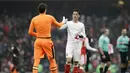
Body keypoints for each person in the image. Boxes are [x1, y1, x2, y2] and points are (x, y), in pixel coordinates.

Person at [28, 3, 67, 73]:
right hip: (47, 41)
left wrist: (37, 34)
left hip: (38, 41)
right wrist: (63, 22)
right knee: (52, 60)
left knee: (36, 61)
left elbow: (30, 32)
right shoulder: (50, 17)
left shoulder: (34, 19)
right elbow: (58, 25)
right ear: (45, 10)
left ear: (38, 10)